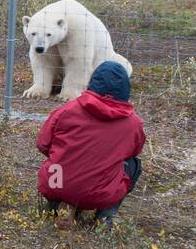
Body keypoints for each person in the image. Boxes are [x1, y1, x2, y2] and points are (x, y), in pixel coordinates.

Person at [37, 60, 145, 228]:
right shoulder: (133, 123)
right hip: (101, 194)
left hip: (55, 184)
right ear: (125, 89)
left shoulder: (67, 110)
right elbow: (134, 150)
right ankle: (104, 216)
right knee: (133, 165)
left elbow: (43, 144)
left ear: (92, 82)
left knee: (57, 157)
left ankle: (60, 203)